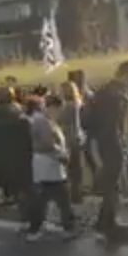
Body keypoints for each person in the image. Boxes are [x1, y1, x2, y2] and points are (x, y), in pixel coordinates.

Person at [87, 60, 128, 242]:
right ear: (126, 74)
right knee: (113, 183)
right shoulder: (115, 94)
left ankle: (105, 221)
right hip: (111, 141)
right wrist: (119, 141)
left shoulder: (107, 91)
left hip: (107, 140)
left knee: (113, 183)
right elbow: (111, 123)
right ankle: (107, 223)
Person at [26, 95, 76, 240]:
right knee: (63, 199)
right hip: (49, 165)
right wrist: (62, 155)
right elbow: (47, 143)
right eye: (59, 109)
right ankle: (68, 228)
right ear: (53, 107)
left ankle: (35, 229)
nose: (60, 113)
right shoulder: (43, 121)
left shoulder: (43, 120)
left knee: (42, 199)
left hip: (46, 166)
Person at [57, 81, 87, 203]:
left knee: (69, 169)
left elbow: (63, 121)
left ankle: (71, 195)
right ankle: (77, 194)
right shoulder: (78, 104)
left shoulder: (68, 106)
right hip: (78, 138)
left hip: (69, 138)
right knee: (76, 170)